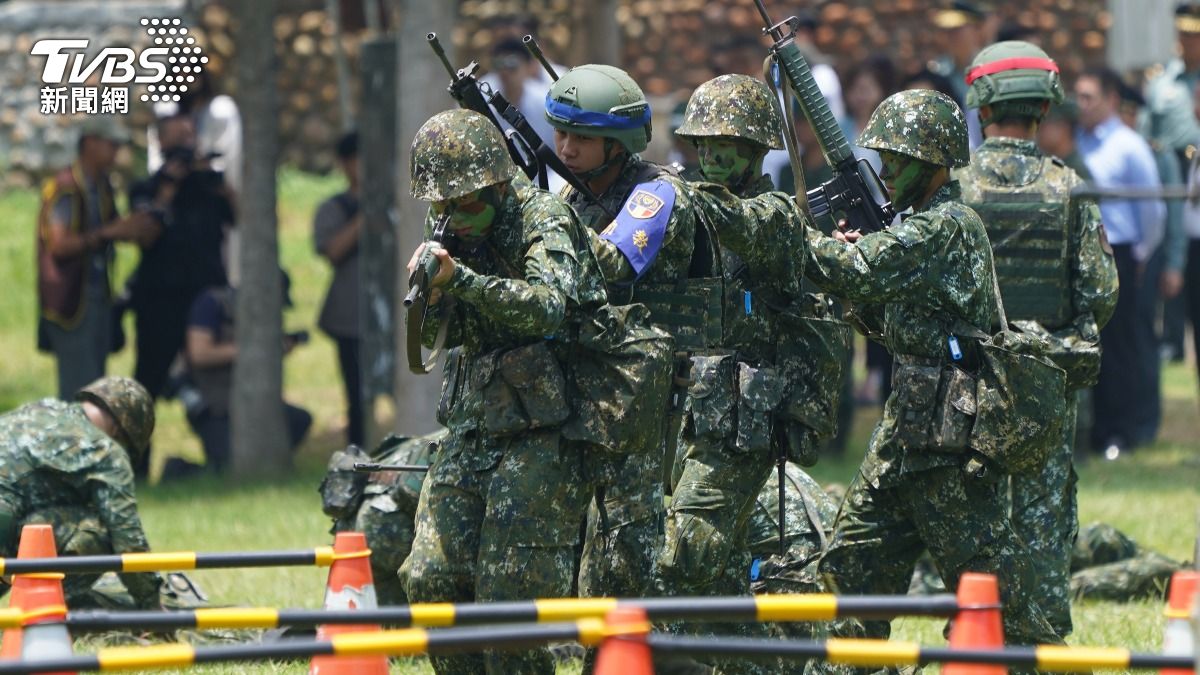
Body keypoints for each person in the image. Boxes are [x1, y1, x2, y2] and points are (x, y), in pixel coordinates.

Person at [796, 90, 1063, 669]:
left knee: (996, 599)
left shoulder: (947, 226)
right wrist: (853, 271)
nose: (887, 167)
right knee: (851, 569)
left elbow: (864, 267)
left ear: (937, 159)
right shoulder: (915, 224)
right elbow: (883, 318)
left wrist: (793, 237)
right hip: (906, 432)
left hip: (951, 442)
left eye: (899, 156)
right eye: (884, 155)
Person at [397, 109, 612, 674]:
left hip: (545, 431)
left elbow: (547, 307)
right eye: (439, 206)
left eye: (465, 204)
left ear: (496, 184)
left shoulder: (545, 221)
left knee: (506, 598)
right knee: (430, 580)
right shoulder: (449, 227)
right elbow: (453, 334)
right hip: (475, 422)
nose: (451, 219)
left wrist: (460, 282)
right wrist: (433, 299)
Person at [654, 74, 849, 674]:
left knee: (686, 550)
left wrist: (659, 188)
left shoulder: (773, 216)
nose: (711, 154)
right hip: (681, 413)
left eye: (728, 143)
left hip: (742, 422)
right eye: (702, 143)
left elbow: (734, 222)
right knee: (716, 564)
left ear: (758, 149)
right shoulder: (684, 206)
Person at [957, 41, 1119, 639]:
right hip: (1044, 384)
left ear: (979, 102)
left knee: (968, 521)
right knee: (1043, 518)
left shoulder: (954, 188)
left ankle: (974, 636)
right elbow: (1100, 295)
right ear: (1046, 106)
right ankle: (1043, 638)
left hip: (964, 385)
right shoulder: (1069, 187)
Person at [543, 64, 702, 611]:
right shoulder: (570, 195)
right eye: (560, 132)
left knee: (627, 547)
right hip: (580, 384)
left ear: (617, 144)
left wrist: (541, 223)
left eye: (582, 137)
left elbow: (613, 261)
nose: (565, 147)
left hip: (642, 393)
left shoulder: (655, 195)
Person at [0, 377, 161, 610]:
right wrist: (153, 607)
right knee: (97, 531)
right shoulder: (106, 451)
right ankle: (43, 611)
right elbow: (128, 540)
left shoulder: (36, 410)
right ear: (119, 430)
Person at [1076, 66, 1166, 458]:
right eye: (1075, 97)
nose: (1080, 105)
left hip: (1122, 253)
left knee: (1120, 344)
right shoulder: (1075, 141)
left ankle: (1121, 432)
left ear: (1111, 100)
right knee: (1088, 344)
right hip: (1084, 255)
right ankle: (1094, 429)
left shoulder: (1129, 145)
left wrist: (1142, 254)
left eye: (1088, 97)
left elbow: (1152, 210)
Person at [128, 114, 234, 436]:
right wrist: (168, 190)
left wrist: (219, 183)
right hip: (160, 300)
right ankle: (139, 464)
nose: (187, 148)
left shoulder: (208, 187)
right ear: (161, 143)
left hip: (204, 295)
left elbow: (240, 218)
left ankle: (222, 452)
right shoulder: (146, 188)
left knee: (214, 378)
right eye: (179, 139)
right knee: (148, 381)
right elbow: (144, 235)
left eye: (191, 138)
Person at [37, 116, 155, 399]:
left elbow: (112, 228)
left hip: (98, 299)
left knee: (95, 387)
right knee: (78, 392)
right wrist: (107, 233)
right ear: (90, 143)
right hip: (72, 304)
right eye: (111, 144)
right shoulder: (66, 186)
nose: (116, 152)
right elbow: (59, 244)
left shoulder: (101, 185)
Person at [166, 278, 312, 477]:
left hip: (255, 403)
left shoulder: (260, 321)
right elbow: (199, 353)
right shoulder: (212, 304)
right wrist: (256, 349)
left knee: (299, 420)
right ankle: (179, 471)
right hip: (213, 406)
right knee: (228, 468)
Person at [321, 429, 446, 606]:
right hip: (388, 523)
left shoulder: (435, 437)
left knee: (374, 618)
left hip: (354, 523)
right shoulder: (464, 438)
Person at [314, 131, 365, 447]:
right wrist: (366, 212)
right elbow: (333, 250)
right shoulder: (334, 207)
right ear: (346, 164)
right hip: (349, 317)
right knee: (357, 396)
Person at [929, 0, 988, 148]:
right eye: (947, 31)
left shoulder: (990, 70)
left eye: (957, 29)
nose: (951, 36)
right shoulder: (936, 71)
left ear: (976, 30)